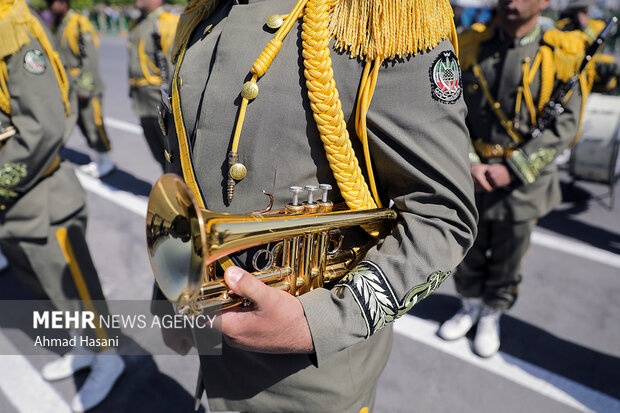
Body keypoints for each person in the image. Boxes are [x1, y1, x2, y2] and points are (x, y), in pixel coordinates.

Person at [153, 0, 478, 411]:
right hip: (213, 343)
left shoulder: (382, 18)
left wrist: (319, 324)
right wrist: (168, 297)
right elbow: (188, 185)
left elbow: (443, 215)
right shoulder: (204, 15)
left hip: (309, 383)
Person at [437, 0, 586, 357]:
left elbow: (566, 124)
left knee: (508, 256)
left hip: (522, 185)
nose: (510, 2)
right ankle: (469, 305)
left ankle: (492, 312)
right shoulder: (470, 43)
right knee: (466, 249)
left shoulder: (561, 53)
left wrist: (514, 168)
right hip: (471, 176)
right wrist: (470, 160)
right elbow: (446, 104)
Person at [0, 0, 124, 411]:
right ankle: (82, 348)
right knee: (44, 290)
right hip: (15, 208)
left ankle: (109, 358)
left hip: (39, 196)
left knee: (76, 290)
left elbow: (44, 125)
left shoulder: (13, 29)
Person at [47, 0, 116, 178]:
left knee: (93, 122)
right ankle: (98, 159)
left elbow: (90, 56)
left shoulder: (79, 22)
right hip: (69, 84)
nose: (50, 6)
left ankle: (105, 160)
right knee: (83, 125)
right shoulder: (57, 23)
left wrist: (85, 87)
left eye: (53, 2)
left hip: (85, 84)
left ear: (64, 3)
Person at [127, 0, 178, 171]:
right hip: (141, 97)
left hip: (158, 96)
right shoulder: (136, 23)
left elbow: (173, 67)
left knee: (172, 153)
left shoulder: (167, 22)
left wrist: (169, 102)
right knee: (157, 151)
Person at [556, 0, 619, 93]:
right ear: (577, 14)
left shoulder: (586, 28)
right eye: (584, 12)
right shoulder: (566, 29)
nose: (586, 17)